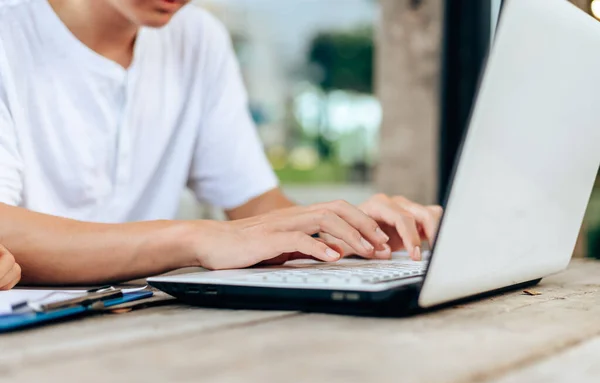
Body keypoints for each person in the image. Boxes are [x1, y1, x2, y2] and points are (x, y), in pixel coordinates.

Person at [0, 0, 443, 287]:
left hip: (138, 323)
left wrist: (349, 230)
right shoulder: (10, 32)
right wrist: (195, 239)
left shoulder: (197, 38)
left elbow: (252, 208)